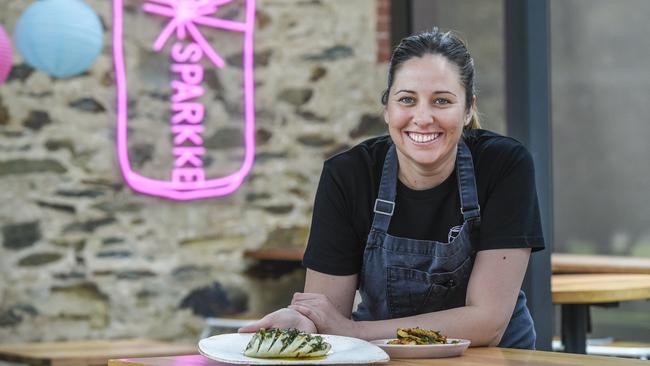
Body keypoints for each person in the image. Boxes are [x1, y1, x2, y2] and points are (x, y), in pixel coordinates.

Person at [239, 28, 545, 349]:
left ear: (468, 109)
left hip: (491, 357)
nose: (422, 117)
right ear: (387, 109)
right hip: (384, 357)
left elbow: (487, 323)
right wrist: (299, 322)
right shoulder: (348, 176)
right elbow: (325, 314)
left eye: (442, 100)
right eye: (407, 100)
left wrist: (355, 332)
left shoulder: (504, 164)